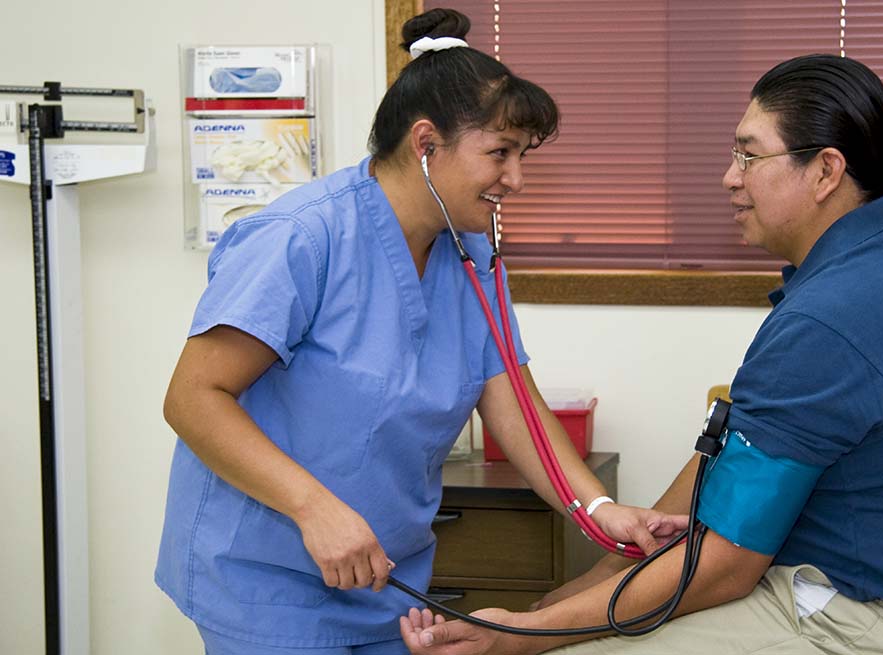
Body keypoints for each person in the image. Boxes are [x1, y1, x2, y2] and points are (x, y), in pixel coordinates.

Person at [398, 53, 883, 655]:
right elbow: (726, 454)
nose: (729, 177)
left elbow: (722, 567)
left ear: (824, 172)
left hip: (871, 620)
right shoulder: (880, 262)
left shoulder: (835, 315)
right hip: (847, 591)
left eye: (749, 154)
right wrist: (594, 580)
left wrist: (523, 636)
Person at [155, 9, 687, 654]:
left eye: (521, 157)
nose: (515, 180)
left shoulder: (469, 254)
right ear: (426, 142)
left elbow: (513, 399)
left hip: (387, 576)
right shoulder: (301, 238)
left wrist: (602, 511)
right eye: (500, 154)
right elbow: (192, 398)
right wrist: (313, 508)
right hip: (270, 573)